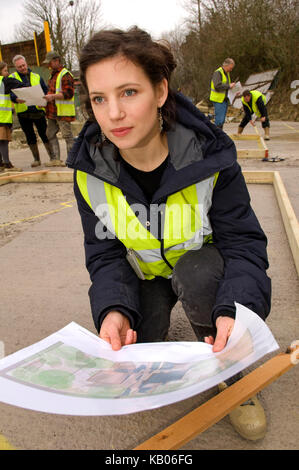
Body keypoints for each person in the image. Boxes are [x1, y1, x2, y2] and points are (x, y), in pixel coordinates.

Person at [67, 28, 271, 441]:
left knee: (198, 277)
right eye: (99, 99)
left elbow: (244, 243)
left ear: (160, 91)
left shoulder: (211, 159)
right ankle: (148, 322)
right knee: (135, 346)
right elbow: (104, 254)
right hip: (143, 274)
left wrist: (237, 310)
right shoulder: (89, 173)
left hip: (202, 268)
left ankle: (229, 370)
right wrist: (113, 309)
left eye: (128, 93)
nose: (114, 114)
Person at [9, 55, 54, 167]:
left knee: (44, 134)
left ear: (26, 63)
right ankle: (36, 159)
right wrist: (15, 99)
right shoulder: (12, 78)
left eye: (23, 65)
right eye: (19, 67)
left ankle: (52, 157)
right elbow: (9, 93)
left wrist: (44, 100)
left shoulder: (36, 76)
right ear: (15, 67)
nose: (22, 68)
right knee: (30, 136)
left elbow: (46, 91)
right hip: (23, 112)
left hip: (38, 110)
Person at [42, 51, 76, 166]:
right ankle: (56, 159)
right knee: (50, 133)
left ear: (57, 61)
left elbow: (68, 93)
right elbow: (51, 92)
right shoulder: (53, 75)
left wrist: (52, 96)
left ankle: (72, 161)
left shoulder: (65, 75)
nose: (48, 65)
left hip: (63, 112)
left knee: (67, 136)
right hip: (52, 111)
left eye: (50, 62)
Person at [0, 61, 24, 172]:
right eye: (5, 70)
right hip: (2, 118)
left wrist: (15, 99)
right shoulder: (4, 81)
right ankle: (7, 164)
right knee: (3, 141)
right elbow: (20, 83)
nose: (7, 73)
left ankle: (1, 165)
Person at [210, 58, 236, 129]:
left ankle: (220, 136)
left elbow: (226, 87)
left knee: (221, 121)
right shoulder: (218, 73)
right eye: (230, 68)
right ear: (226, 65)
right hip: (218, 99)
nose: (231, 70)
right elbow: (217, 86)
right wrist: (229, 86)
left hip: (224, 100)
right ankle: (217, 136)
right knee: (219, 121)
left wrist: (233, 90)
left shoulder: (227, 73)